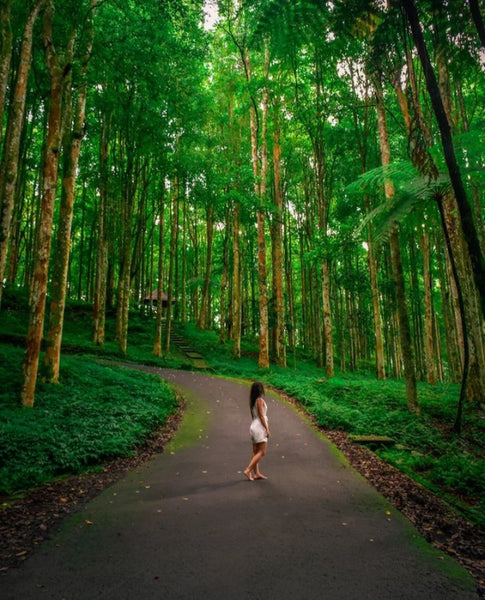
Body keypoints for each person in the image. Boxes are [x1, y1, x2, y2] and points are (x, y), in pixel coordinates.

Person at [244, 382, 270, 481]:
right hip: (259, 427)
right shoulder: (259, 400)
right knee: (262, 451)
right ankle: (248, 470)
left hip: (254, 425)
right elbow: (262, 416)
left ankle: (256, 473)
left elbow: (256, 416)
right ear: (260, 390)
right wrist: (267, 429)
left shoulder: (253, 401)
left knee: (255, 451)